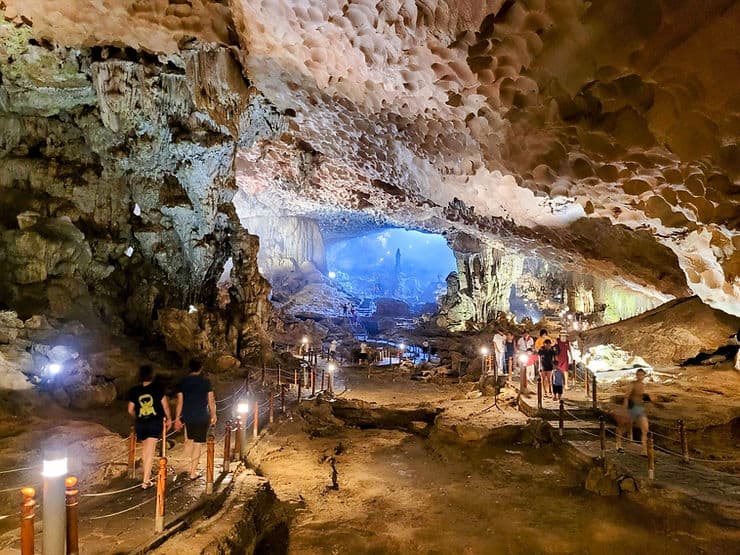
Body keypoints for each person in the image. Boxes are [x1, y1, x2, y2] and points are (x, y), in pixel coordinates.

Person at [128, 365, 172, 488]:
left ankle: (146, 477)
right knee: (150, 450)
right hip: (154, 422)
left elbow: (130, 409)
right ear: (152, 375)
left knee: (145, 449)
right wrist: (169, 418)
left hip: (141, 423)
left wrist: (137, 416)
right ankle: (146, 481)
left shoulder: (135, 390)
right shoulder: (158, 389)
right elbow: (165, 406)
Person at [174, 359, 216, 479]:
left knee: (190, 440)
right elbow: (211, 400)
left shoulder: (183, 382)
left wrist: (177, 418)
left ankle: (189, 466)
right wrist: (213, 415)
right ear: (200, 368)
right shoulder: (205, 382)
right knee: (197, 444)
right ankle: (193, 472)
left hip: (187, 416)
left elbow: (180, 402)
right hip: (202, 416)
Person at [616, 369, 650, 455]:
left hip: (640, 408)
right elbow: (626, 397)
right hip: (632, 408)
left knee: (645, 429)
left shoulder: (643, 385)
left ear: (644, 376)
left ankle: (644, 450)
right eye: (639, 375)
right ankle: (618, 444)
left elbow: (641, 397)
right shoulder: (632, 384)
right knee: (625, 427)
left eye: (642, 375)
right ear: (636, 375)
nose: (640, 376)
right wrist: (624, 410)